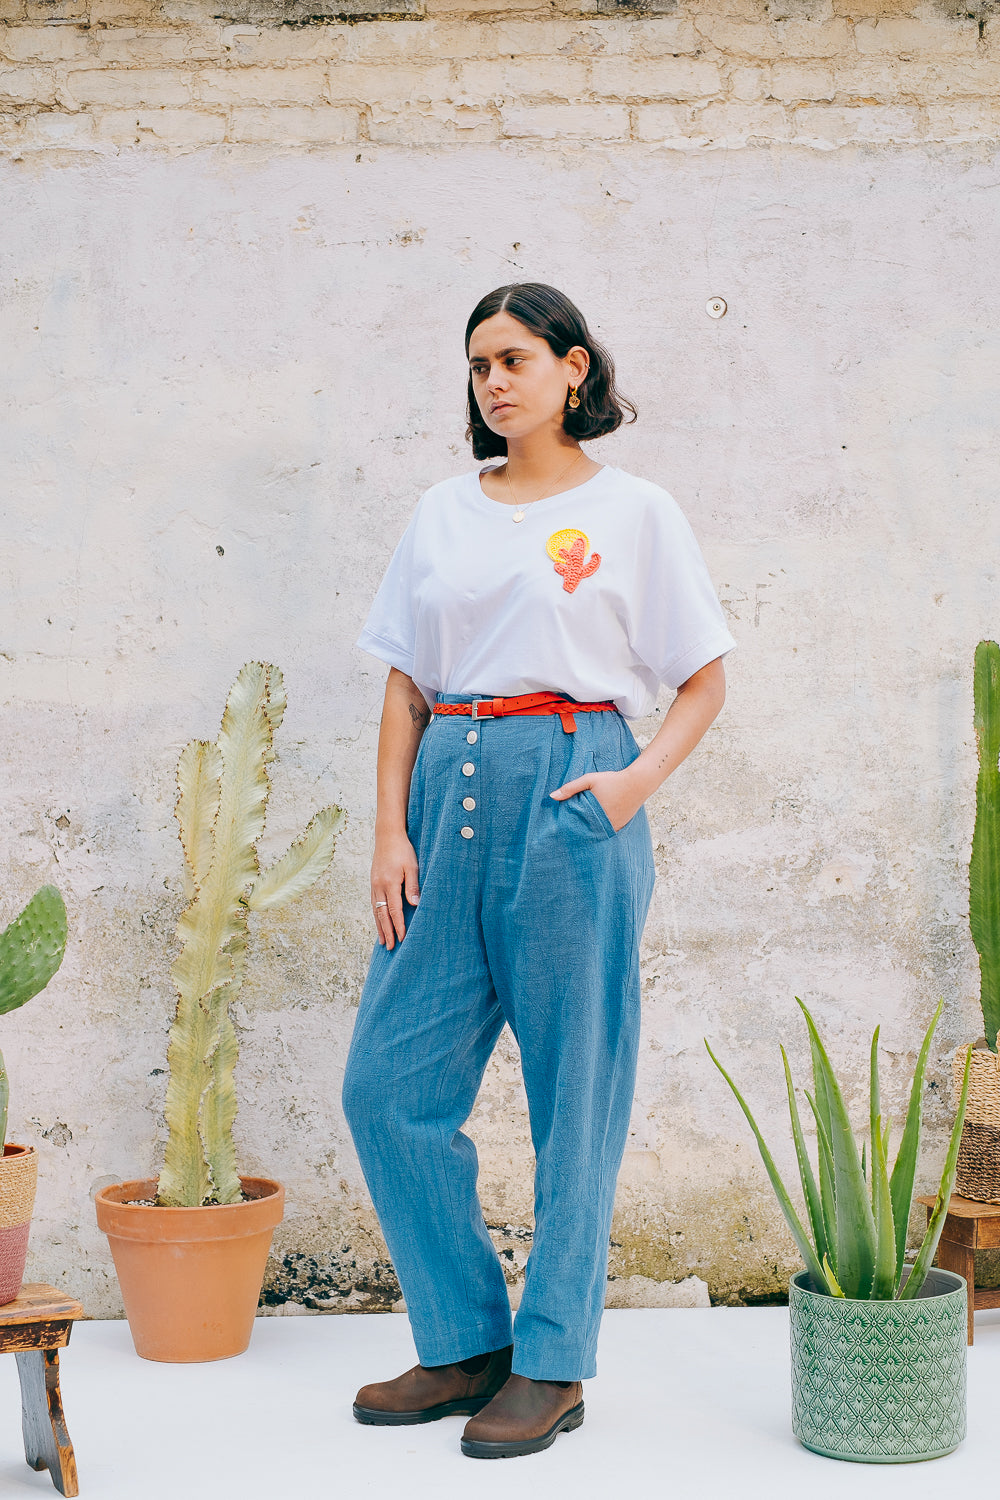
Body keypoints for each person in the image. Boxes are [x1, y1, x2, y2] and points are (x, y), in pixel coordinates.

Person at [342, 282, 735, 1460]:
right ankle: (465, 1342)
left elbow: (704, 674)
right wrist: (387, 832)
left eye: (514, 359)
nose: (493, 382)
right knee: (387, 1086)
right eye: (476, 367)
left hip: (576, 784)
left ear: (573, 369)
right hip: (445, 788)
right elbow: (406, 682)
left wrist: (629, 785)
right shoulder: (442, 512)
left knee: (576, 1095)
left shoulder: (637, 511)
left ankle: (553, 1361)